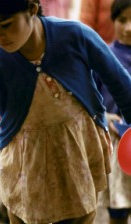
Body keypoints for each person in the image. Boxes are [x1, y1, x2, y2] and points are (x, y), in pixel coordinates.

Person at [0, 0, 131, 223]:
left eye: (5, 25)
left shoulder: (76, 36)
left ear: (32, 9)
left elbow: (121, 85)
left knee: (80, 215)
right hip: (25, 161)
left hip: (78, 151)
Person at [95, 0, 131, 222]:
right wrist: (104, 117)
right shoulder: (103, 56)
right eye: (122, 20)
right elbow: (90, 98)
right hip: (117, 145)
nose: (128, 28)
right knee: (117, 210)